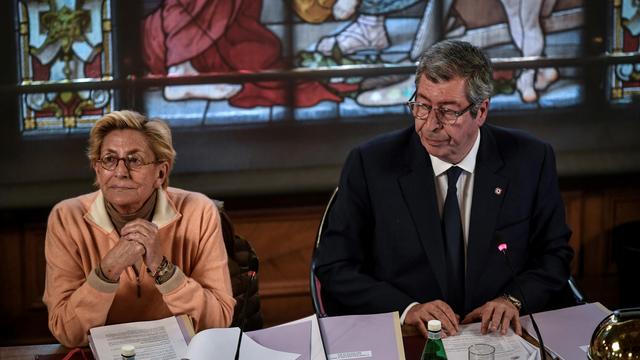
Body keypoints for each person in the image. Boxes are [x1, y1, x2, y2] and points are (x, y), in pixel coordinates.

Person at [314, 40, 573, 338]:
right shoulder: (371, 164)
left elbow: (554, 254)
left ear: (481, 111)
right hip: (409, 336)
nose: (429, 125)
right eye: (422, 106)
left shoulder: (531, 160)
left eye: (448, 112)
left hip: (497, 335)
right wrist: (408, 309)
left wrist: (512, 299)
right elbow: (335, 265)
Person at [43, 110, 235, 347]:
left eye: (134, 160)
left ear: (160, 172)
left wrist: (162, 268)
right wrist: (108, 270)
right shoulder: (65, 217)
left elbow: (218, 322)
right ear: (97, 169)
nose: (121, 172)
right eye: (109, 160)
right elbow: (67, 332)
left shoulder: (200, 211)